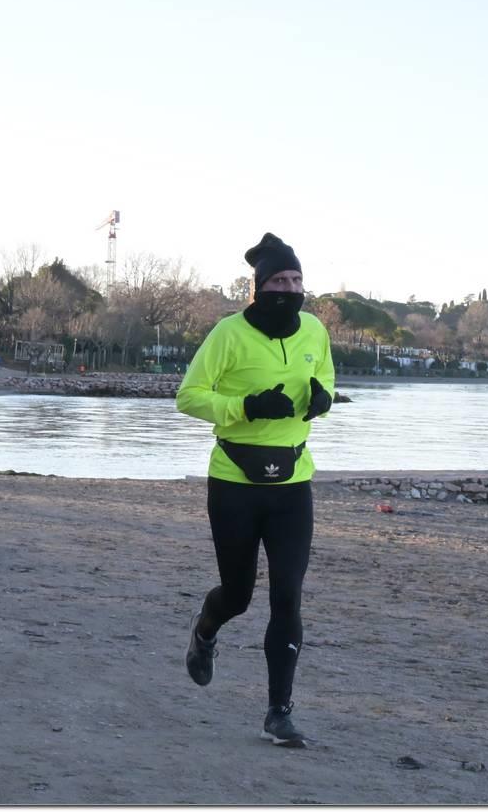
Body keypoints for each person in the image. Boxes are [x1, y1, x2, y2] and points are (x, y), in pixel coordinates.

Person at [175, 232, 334, 748]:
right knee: (239, 595)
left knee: (287, 595)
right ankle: (205, 630)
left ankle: (278, 713)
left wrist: (323, 399)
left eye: (296, 279)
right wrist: (244, 407)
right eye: (279, 280)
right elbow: (188, 397)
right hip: (234, 483)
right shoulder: (228, 334)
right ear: (259, 287)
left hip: (293, 483)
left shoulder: (315, 331)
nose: (289, 289)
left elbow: (326, 379)